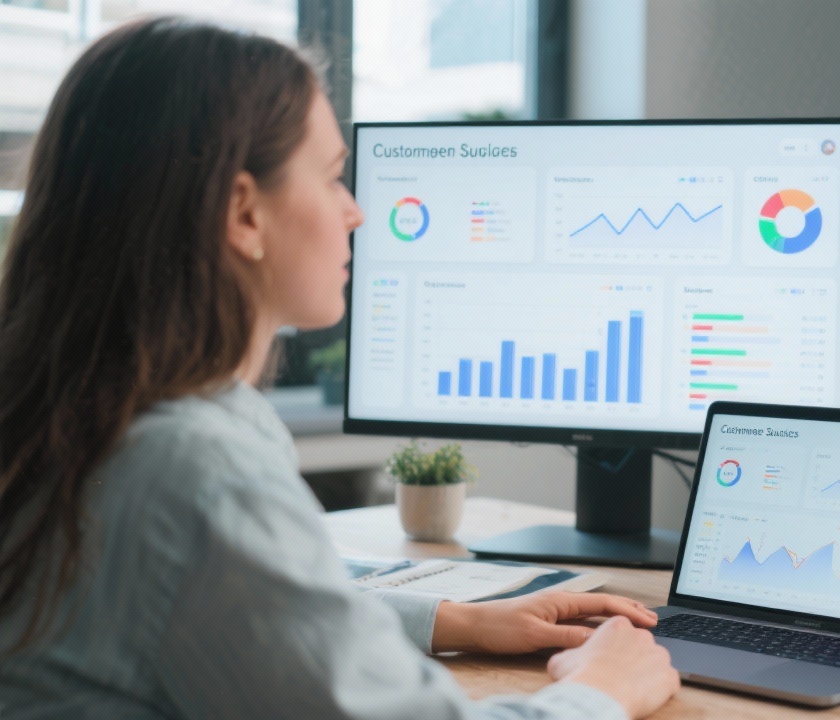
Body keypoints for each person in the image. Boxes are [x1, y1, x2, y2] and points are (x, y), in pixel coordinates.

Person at [0, 18, 679, 720]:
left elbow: (242, 608)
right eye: (331, 178)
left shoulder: (82, 416)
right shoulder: (195, 468)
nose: (355, 213)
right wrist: (600, 691)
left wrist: (458, 620)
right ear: (243, 212)